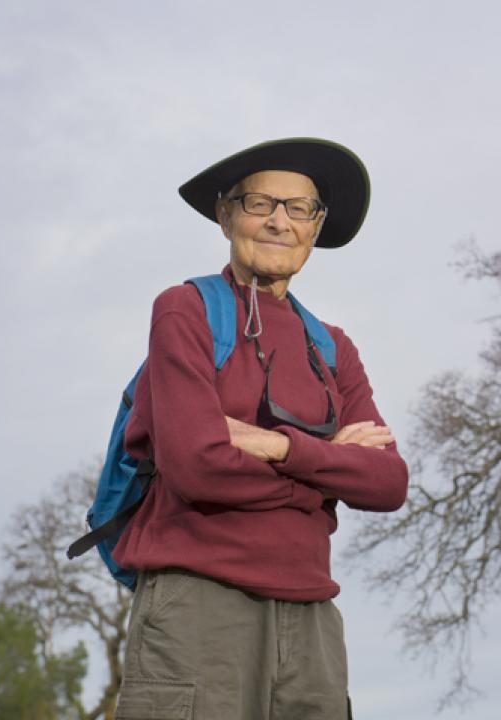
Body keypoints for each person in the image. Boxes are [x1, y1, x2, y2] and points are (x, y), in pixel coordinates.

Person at [111, 138, 409, 720]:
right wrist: (326, 473)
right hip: (199, 603)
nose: (279, 221)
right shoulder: (185, 311)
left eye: (300, 208)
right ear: (225, 215)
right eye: (258, 203)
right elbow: (198, 469)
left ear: (316, 226)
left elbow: (389, 484)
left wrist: (274, 445)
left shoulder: (333, 346)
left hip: (313, 617)